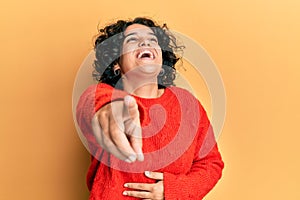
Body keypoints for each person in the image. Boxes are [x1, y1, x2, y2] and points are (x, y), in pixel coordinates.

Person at [76, 17, 224, 200]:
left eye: (152, 40)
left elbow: (211, 163)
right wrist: (110, 111)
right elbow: (92, 102)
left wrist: (174, 189)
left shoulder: (187, 104)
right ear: (116, 64)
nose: (145, 42)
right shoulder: (104, 97)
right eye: (132, 40)